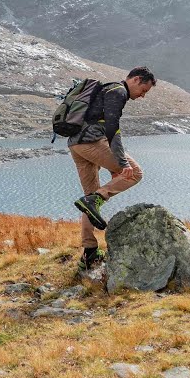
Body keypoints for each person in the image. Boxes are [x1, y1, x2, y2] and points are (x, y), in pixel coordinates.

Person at [70, 66, 156, 270]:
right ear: (136, 79)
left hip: (76, 145)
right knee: (135, 173)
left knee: (89, 201)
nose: (143, 95)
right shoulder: (118, 92)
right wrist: (122, 163)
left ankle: (90, 252)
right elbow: (112, 129)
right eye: (143, 90)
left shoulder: (108, 89)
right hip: (92, 142)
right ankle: (95, 199)